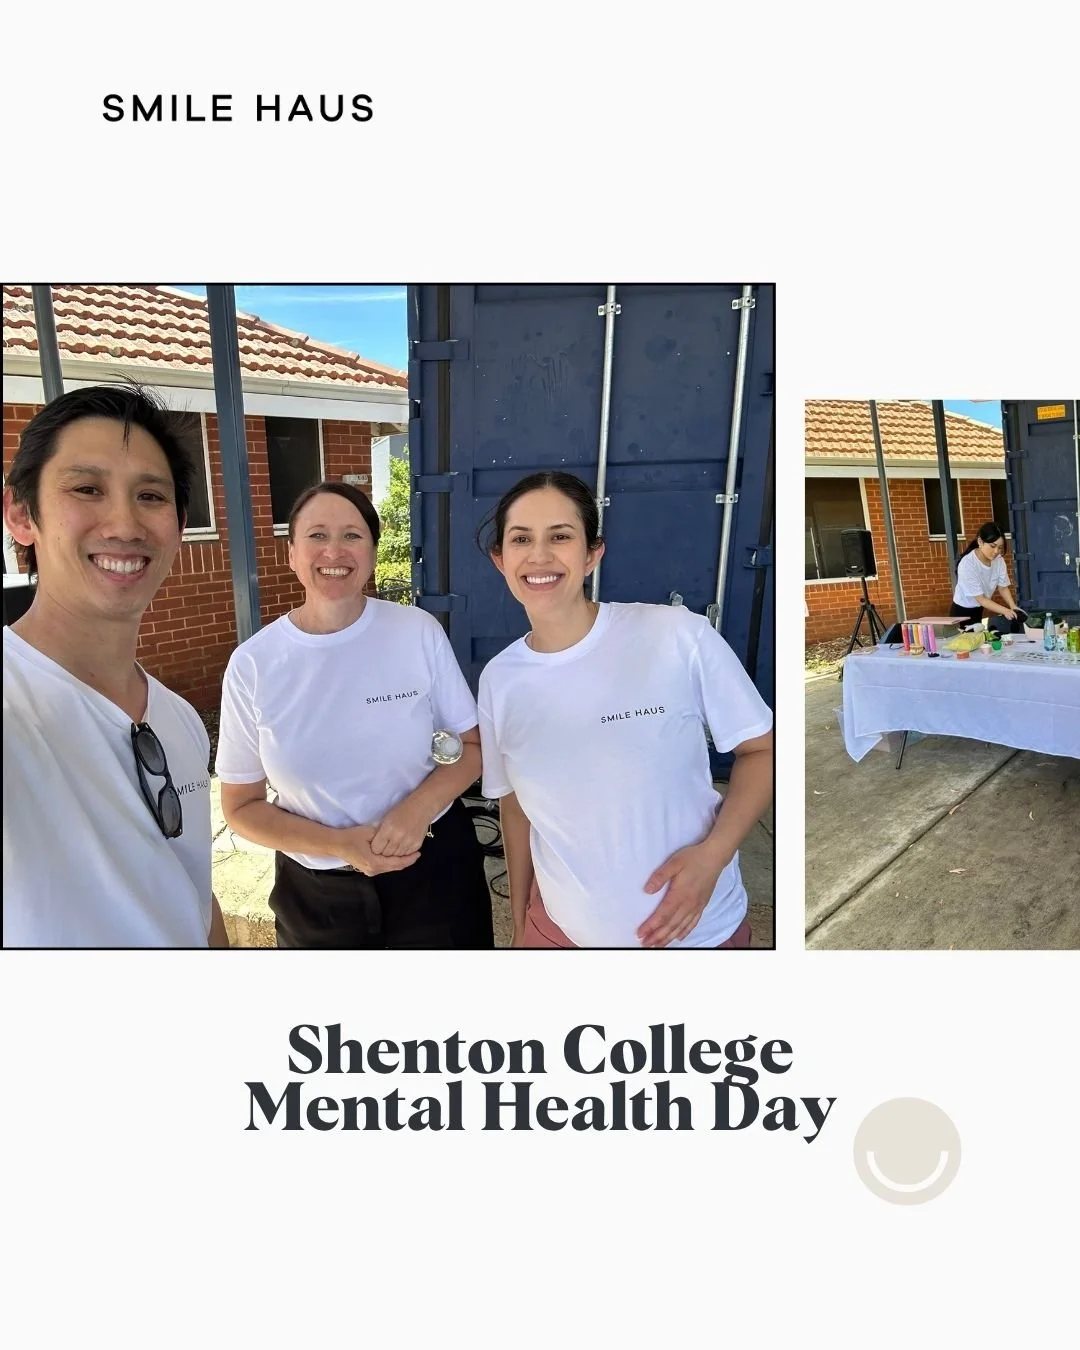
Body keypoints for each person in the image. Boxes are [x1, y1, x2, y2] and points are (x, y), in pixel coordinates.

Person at [476, 471, 774, 949]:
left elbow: (762, 751)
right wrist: (519, 925)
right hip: (557, 936)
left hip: (700, 938)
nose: (539, 556)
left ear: (592, 553)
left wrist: (713, 857)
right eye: (521, 539)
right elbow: (515, 807)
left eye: (560, 536)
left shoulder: (675, 634)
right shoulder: (499, 679)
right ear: (501, 559)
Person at [216, 481, 494, 949]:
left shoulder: (416, 631)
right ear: (291, 553)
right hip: (318, 898)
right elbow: (241, 807)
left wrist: (416, 810)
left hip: (434, 873)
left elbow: (471, 747)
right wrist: (338, 844)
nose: (334, 551)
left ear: (372, 551)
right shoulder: (254, 664)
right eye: (317, 535)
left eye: (352, 535)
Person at [2, 384, 227, 948]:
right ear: (21, 515)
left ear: (179, 526)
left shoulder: (180, 720)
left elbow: (193, 892)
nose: (125, 524)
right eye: (87, 489)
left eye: (151, 496)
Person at [950, 522, 1024, 633]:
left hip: (978, 609)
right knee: (965, 641)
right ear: (980, 542)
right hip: (961, 613)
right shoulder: (968, 564)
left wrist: (1012, 606)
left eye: (1000, 548)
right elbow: (981, 599)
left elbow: (1003, 587)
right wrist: (1005, 611)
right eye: (992, 546)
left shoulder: (999, 560)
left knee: (978, 639)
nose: (996, 551)